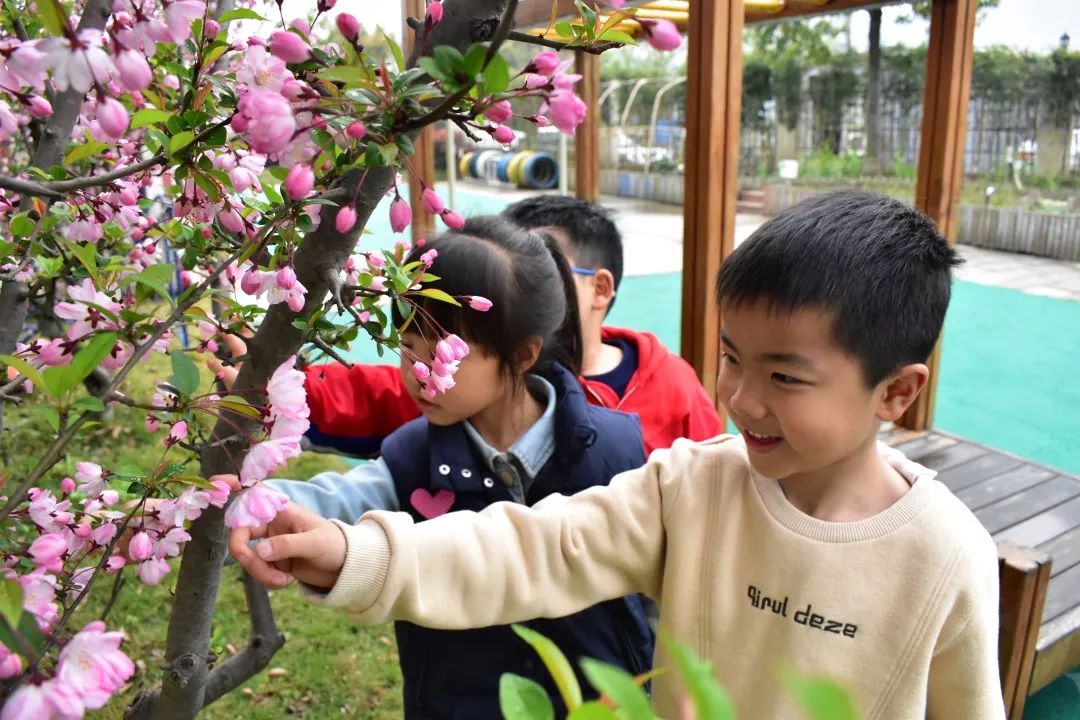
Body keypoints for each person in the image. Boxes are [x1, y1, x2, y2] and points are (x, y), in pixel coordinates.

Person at [229, 191, 1006, 719]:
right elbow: (534, 546)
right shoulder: (694, 486)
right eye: (733, 358)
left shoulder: (944, 558)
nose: (742, 399)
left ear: (895, 393)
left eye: (786, 377)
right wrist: (356, 553)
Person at [259, 216, 654, 718]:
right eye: (407, 349)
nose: (418, 377)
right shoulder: (411, 458)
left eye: (442, 356)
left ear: (523, 354)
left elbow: (651, 594)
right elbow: (335, 500)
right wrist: (241, 507)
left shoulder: (616, 451)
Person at [215, 196, 721, 457]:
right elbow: (373, 395)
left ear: (601, 288)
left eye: (545, 266)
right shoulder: (469, 385)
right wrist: (270, 381)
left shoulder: (672, 389)